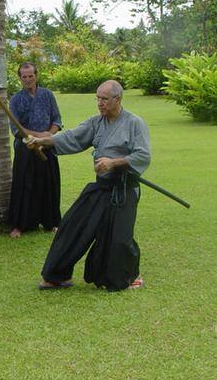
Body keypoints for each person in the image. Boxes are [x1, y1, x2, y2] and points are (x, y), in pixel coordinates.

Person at [25, 80, 150, 292]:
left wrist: (113, 162)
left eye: (104, 99)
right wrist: (41, 141)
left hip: (124, 189)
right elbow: (73, 136)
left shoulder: (134, 124)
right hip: (101, 187)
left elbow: (143, 155)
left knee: (120, 239)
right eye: (98, 98)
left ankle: (130, 276)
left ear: (117, 99)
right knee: (72, 226)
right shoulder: (96, 122)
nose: (99, 103)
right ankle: (58, 276)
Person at [8, 63, 62, 237]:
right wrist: (37, 136)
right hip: (26, 149)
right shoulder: (16, 99)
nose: (28, 79)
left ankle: (51, 223)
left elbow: (57, 120)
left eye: (30, 75)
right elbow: (16, 129)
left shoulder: (47, 95)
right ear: (20, 78)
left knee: (49, 185)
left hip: (47, 147)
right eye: (24, 76)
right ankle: (19, 225)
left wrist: (47, 137)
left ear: (36, 76)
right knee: (23, 187)